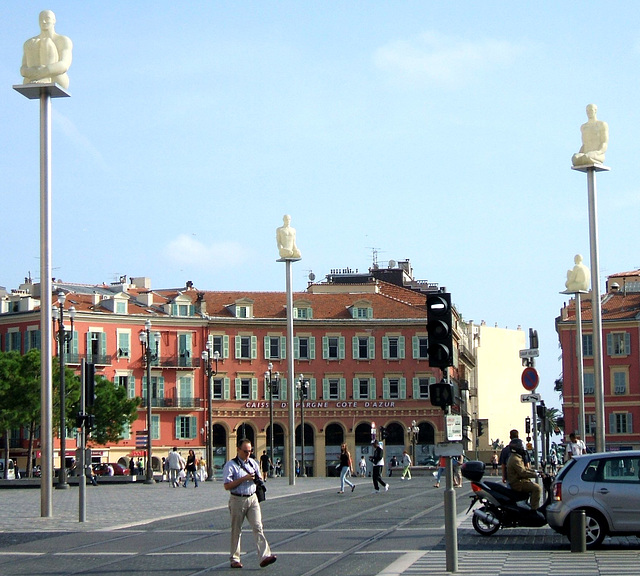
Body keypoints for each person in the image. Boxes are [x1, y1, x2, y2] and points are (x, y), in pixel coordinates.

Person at [222, 439, 277, 569]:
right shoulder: (231, 465)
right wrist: (243, 479)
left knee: (258, 526)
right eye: (245, 451)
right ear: (238, 450)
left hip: (252, 498)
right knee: (236, 530)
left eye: (250, 451)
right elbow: (227, 485)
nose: (248, 454)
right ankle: (235, 558)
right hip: (237, 499)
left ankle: (264, 556)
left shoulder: (253, 463)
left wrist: (258, 479)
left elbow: (260, 479)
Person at [20, 10, 73, 89]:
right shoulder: (30, 42)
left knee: (46, 41)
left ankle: (45, 79)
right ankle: (38, 78)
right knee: (33, 42)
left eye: (47, 18)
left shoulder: (63, 40)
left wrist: (42, 71)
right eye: (41, 19)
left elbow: (64, 65)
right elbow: (24, 67)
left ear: (54, 21)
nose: (43, 21)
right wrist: (31, 72)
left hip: (56, 77)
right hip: (31, 79)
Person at [506, 439, 543, 511]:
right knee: (537, 488)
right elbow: (523, 472)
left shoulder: (516, 457)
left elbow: (525, 469)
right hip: (517, 483)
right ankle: (534, 510)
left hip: (520, 481)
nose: (523, 449)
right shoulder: (515, 459)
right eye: (521, 447)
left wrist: (537, 471)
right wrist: (536, 475)